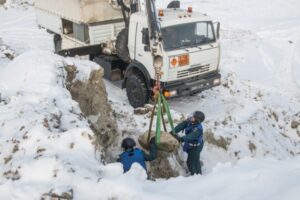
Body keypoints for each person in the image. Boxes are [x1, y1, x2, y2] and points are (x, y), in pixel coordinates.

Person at [173, 111, 205, 175]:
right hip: (190, 145)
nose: (191, 117)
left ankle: (196, 175)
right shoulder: (190, 122)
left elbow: (190, 136)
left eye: (193, 117)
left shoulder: (198, 129)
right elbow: (181, 126)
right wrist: (173, 132)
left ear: (197, 120)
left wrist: (181, 139)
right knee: (194, 159)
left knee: (191, 162)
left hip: (196, 147)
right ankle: (196, 172)